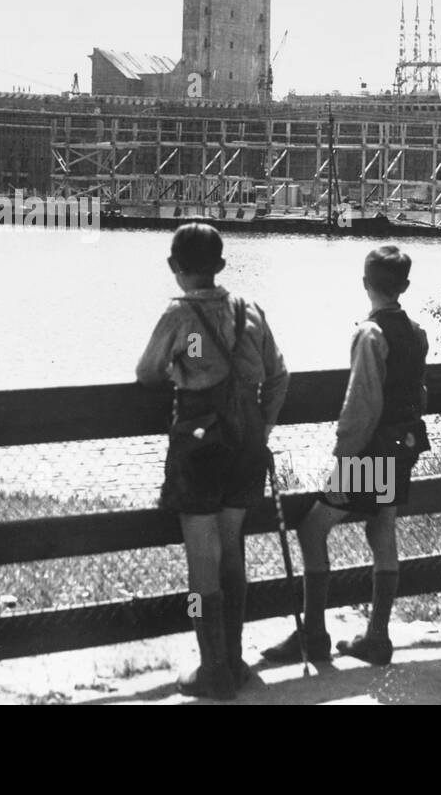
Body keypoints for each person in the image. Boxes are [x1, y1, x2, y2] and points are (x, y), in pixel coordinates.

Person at [136, 222, 289, 699]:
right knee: (232, 550)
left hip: (200, 446)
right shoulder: (250, 309)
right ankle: (235, 659)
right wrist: (262, 425)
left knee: (203, 561)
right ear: (221, 266)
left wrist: (185, 368)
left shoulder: (179, 314)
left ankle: (212, 669)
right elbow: (281, 375)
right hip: (246, 445)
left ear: (173, 267)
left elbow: (146, 373)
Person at [261, 244, 428, 667]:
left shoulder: (369, 334)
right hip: (402, 443)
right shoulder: (416, 330)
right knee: (382, 529)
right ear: (405, 286)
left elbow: (362, 404)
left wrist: (344, 457)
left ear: (364, 283)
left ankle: (313, 634)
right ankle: (377, 637)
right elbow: (419, 392)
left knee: (313, 529)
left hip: (371, 449)